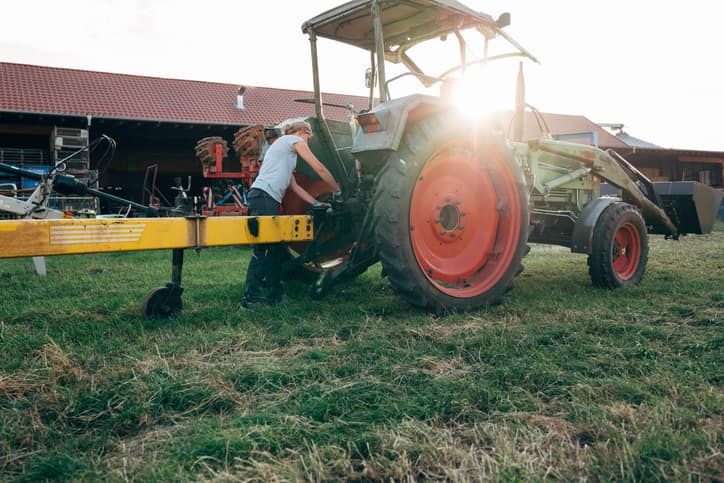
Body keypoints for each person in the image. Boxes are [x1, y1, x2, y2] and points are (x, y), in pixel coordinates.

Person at [242, 120, 339, 308]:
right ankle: (250, 299)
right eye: (308, 138)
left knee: (275, 249)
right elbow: (317, 166)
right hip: (263, 197)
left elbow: (294, 187)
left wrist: (318, 203)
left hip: (264, 198)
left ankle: (275, 296)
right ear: (303, 132)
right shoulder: (291, 141)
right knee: (264, 250)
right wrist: (337, 189)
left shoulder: (284, 152)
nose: (308, 142)